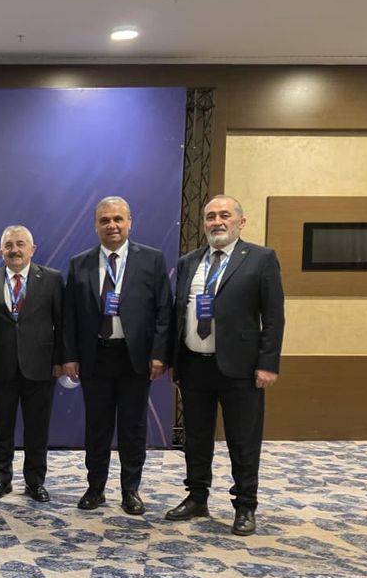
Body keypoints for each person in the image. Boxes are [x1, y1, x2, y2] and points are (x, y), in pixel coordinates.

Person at [167, 195, 284, 536]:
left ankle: (245, 505)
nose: (217, 222)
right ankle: (197, 496)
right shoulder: (189, 262)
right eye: (210, 216)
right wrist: (175, 361)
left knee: (243, 439)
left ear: (240, 222)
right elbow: (179, 312)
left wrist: (268, 363)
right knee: (196, 437)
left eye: (224, 215)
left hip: (241, 369)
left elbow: (274, 317)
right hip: (194, 365)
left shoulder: (261, 259)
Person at [61, 196, 173, 515]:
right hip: (96, 356)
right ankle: (95, 488)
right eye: (105, 220)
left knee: (132, 427)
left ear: (129, 223)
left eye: (118, 219)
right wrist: (69, 355)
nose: (112, 225)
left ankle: (130, 490)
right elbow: (70, 315)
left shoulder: (151, 259)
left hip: (134, 358)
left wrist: (159, 353)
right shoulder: (79, 263)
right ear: (95, 226)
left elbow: (164, 310)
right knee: (97, 427)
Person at [0, 225, 62, 503]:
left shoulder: (52, 280)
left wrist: (61, 360)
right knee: (1, 429)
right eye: (9, 245)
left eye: (20, 244)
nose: (14, 250)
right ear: (0, 251)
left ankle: (35, 482)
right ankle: (0, 479)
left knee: (37, 429)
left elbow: (62, 323)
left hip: (40, 367)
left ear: (32, 249)